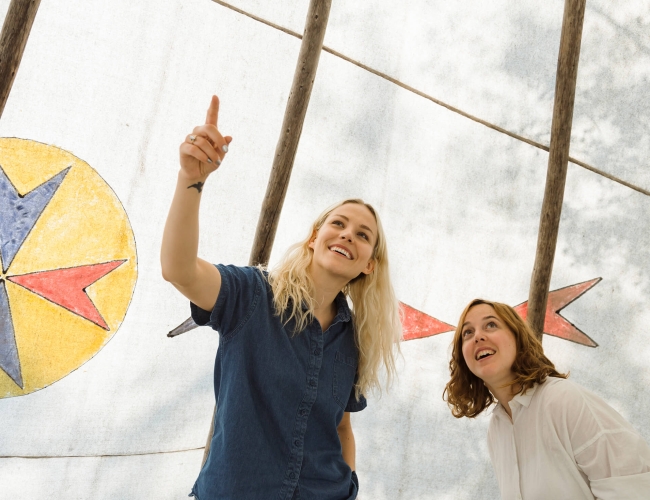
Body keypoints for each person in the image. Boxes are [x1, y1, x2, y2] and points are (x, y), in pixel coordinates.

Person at [161, 95, 401, 500]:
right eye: (337, 224)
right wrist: (191, 179)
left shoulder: (356, 340)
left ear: (369, 265)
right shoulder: (251, 295)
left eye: (363, 235)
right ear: (314, 238)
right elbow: (178, 269)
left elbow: (341, 427)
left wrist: (348, 488)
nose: (347, 235)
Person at [444, 298, 650, 500]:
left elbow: (633, 489)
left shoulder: (563, 399)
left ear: (518, 338)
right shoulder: (497, 430)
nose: (478, 336)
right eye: (467, 332)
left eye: (491, 325)